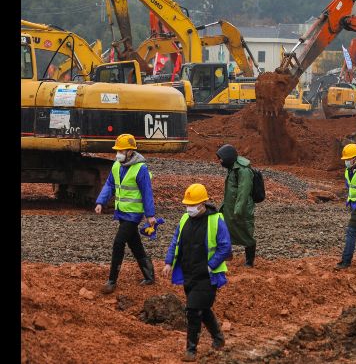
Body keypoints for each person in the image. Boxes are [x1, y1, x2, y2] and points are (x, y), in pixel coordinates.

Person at [163, 183, 231, 361]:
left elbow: (225, 247)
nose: (189, 208)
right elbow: (175, 241)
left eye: (192, 205)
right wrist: (169, 262)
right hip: (189, 273)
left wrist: (210, 265)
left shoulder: (216, 220)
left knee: (193, 310)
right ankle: (218, 337)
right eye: (187, 205)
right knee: (203, 308)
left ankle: (191, 350)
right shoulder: (185, 219)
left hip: (207, 276)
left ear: (203, 204)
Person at [95, 133, 157, 294]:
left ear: (130, 151)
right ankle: (149, 275)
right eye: (118, 150)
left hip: (133, 214)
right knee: (134, 243)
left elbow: (147, 192)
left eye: (122, 151)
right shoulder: (116, 166)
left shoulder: (140, 168)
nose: (118, 154)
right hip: (122, 213)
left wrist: (150, 215)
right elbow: (110, 184)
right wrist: (101, 202)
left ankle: (112, 280)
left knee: (118, 243)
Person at [215, 144, 257, 267]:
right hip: (229, 208)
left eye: (221, 159)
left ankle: (249, 262)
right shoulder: (233, 167)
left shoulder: (243, 170)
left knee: (245, 233)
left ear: (228, 157)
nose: (220, 161)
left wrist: (238, 211)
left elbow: (243, 192)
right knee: (224, 230)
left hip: (240, 210)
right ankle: (227, 254)